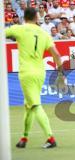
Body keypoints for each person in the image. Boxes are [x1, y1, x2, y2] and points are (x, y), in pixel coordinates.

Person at [5, 7, 65, 148]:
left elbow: (4, 33)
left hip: (26, 73)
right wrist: (61, 71)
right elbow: (56, 54)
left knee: (35, 105)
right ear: (37, 18)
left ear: (23, 17)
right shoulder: (43, 33)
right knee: (29, 106)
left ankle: (50, 138)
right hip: (40, 73)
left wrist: (12, 36)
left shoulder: (19, 29)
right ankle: (24, 139)